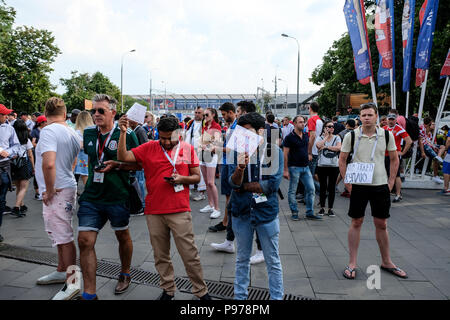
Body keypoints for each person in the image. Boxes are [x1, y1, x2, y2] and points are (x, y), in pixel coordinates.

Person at [117, 115, 212, 300]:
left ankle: (201, 291)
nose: (166, 141)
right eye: (162, 137)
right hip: (154, 210)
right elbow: (123, 157)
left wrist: (181, 179)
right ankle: (168, 289)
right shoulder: (149, 147)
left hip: (180, 209)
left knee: (189, 254)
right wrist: (122, 133)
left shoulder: (187, 149)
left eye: (170, 137)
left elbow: (196, 177)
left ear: (179, 133)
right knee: (161, 255)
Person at [76, 94, 139, 300]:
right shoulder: (88, 133)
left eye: (100, 110)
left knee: (122, 236)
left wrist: (117, 165)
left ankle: (125, 272)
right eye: (94, 110)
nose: (95, 114)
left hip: (117, 195)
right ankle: (89, 294)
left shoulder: (127, 134)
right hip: (92, 196)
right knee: (85, 241)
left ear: (113, 112)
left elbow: (138, 164)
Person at [339, 103, 407, 280]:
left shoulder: (386, 134)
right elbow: (342, 160)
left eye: (370, 115)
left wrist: (391, 181)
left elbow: (394, 159)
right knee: (356, 221)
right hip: (358, 184)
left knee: (382, 223)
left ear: (377, 117)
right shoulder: (351, 136)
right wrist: (347, 182)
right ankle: (352, 263)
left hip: (380, 184)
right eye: (363, 115)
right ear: (359, 117)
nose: (367, 118)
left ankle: (386, 261)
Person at [228, 112, 284, 300]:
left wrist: (242, 187)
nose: (243, 137)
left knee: (272, 260)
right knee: (242, 259)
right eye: (240, 132)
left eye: (247, 132)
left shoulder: (273, 152)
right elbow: (232, 183)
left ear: (260, 131)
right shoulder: (236, 151)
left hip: (266, 213)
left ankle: (276, 297)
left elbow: (271, 186)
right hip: (241, 212)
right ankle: (239, 297)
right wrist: (240, 169)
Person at [34, 97, 81, 300]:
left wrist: (50, 189)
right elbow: (74, 159)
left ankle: (72, 283)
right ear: (65, 113)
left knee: (64, 236)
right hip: (65, 186)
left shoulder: (48, 131)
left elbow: (49, 163)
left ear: (46, 111)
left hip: (58, 190)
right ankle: (62, 270)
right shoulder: (71, 131)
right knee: (61, 233)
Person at [283, 115, 322, 221]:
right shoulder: (289, 137)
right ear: (294, 124)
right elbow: (285, 154)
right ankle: (294, 212)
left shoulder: (305, 135)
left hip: (305, 167)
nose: (302, 124)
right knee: (292, 190)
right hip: (294, 168)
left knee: (311, 189)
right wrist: (285, 170)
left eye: (303, 122)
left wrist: (309, 153)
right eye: (300, 122)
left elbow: (308, 145)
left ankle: (309, 212)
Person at [208, 102, 237, 233]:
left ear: (231, 112)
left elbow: (232, 148)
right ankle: (226, 221)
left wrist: (217, 148)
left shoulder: (236, 127)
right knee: (228, 195)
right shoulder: (231, 126)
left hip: (230, 163)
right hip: (226, 162)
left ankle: (227, 222)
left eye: (224, 114)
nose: (223, 117)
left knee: (230, 195)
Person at [0, 104, 20, 242]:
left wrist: (10, 152)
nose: (7, 116)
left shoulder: (9, 128)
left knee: (1, 200)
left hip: (4, 167)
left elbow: (16, 145)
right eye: (4, 114)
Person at [198, 107, 222, 219]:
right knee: (207, 182)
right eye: (204, 115)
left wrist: (205, 146)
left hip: (211, 156)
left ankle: (217, 208)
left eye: (207, 115)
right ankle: (211, 204)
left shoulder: (216, 127)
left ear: (213, 115)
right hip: (203, 155)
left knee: (211, 182)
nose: (205, 117)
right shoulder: (205, 126)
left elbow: (217, 144)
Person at [383, 112, 412, 202]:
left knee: (396, 175)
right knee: (385, 174)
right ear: (387, 120)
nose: (391, 121)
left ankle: (398, 194)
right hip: (384, 155)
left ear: (396, 120)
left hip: (394, 156)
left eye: (393, 119)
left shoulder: (399, 129)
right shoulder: (384, 128)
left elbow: (409, 141)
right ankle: (386, 193)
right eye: (389, 119)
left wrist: (402, 152)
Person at [315, 120, 341, 217]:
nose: (331, 128)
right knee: (323, 187)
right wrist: (326, 137)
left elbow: (339, 148)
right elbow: (318, 145)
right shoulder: (320, 137)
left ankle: (330, 208)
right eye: (329, 126)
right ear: (325, 128)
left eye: (332, 127)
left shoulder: (337, 137)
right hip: (322, 165)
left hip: (334, 166)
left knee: (331, 187)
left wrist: (326, 147)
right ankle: (322, 208)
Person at [10, 119, 35, 217]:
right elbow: (30, 155)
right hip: (23, 164)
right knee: (24, 187)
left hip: (13, 164)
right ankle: (16, 207)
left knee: (18, 186)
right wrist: (33, 167)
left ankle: (21, 205)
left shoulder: (11, 138)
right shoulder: (26, 139)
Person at [184, 107, 207, 201]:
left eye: (199, 113)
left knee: (200, 170)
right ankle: (189, 189)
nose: (197, 114)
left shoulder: (205, 123)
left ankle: (201, 193)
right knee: (188, 169)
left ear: (203, 114)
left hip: (200, 150)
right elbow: (186, 133)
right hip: (189, 149)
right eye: (196, 112)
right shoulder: (190, 123)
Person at [128, 117, 149, 210]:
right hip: (135, 160)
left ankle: (142, 205)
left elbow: (145, 145)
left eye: (130, 119)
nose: (128, 121)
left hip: (140, 161)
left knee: (140, 182)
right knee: (138, 182)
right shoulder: (134, 130)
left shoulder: (140, 130)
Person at [419, 117, 445, 184]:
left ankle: (438, 157)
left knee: (442, 147)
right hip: (424, 146)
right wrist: (422, 152)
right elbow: (421, 141)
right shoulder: (422, 128)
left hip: (429, 146)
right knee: (434, 157)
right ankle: (435, 175)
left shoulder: (430, 133)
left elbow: (430, 142)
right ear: (429, 124)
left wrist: (434, 147)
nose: (434, 126)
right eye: (433, 124)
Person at [74, 111, 94, 187]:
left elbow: (79, 146)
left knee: (85, 177)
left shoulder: (78, 132)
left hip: (82, 157)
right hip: (93, 157)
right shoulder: (94, 130)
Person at [307, 102, 323, 193]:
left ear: (311, 108)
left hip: (312, 149)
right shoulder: (319, 120)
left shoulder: (311, 119)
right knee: (310, 175)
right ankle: (307, 196)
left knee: (308, 176)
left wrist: (309, 152)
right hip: (316, 148)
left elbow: (312, 136)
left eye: (309, 108)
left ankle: (322, 191)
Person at [337, 119, 356, 198]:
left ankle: (336, 185)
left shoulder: (342, 133)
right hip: (354, 154)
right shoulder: (357, 133)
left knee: (342, 171)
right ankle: (348, 188)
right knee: (351, 171)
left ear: (347, 124)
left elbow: (338, 142)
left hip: (344, 154)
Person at [31, 115, 48, 200]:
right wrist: (40, 146)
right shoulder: (35, 131)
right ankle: (37, 191)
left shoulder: (48, 130)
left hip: (46, 153)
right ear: (41, 123)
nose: (46, 123)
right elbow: (33, 143)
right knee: (38, 171)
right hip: (37, 153)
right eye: (45, 121)